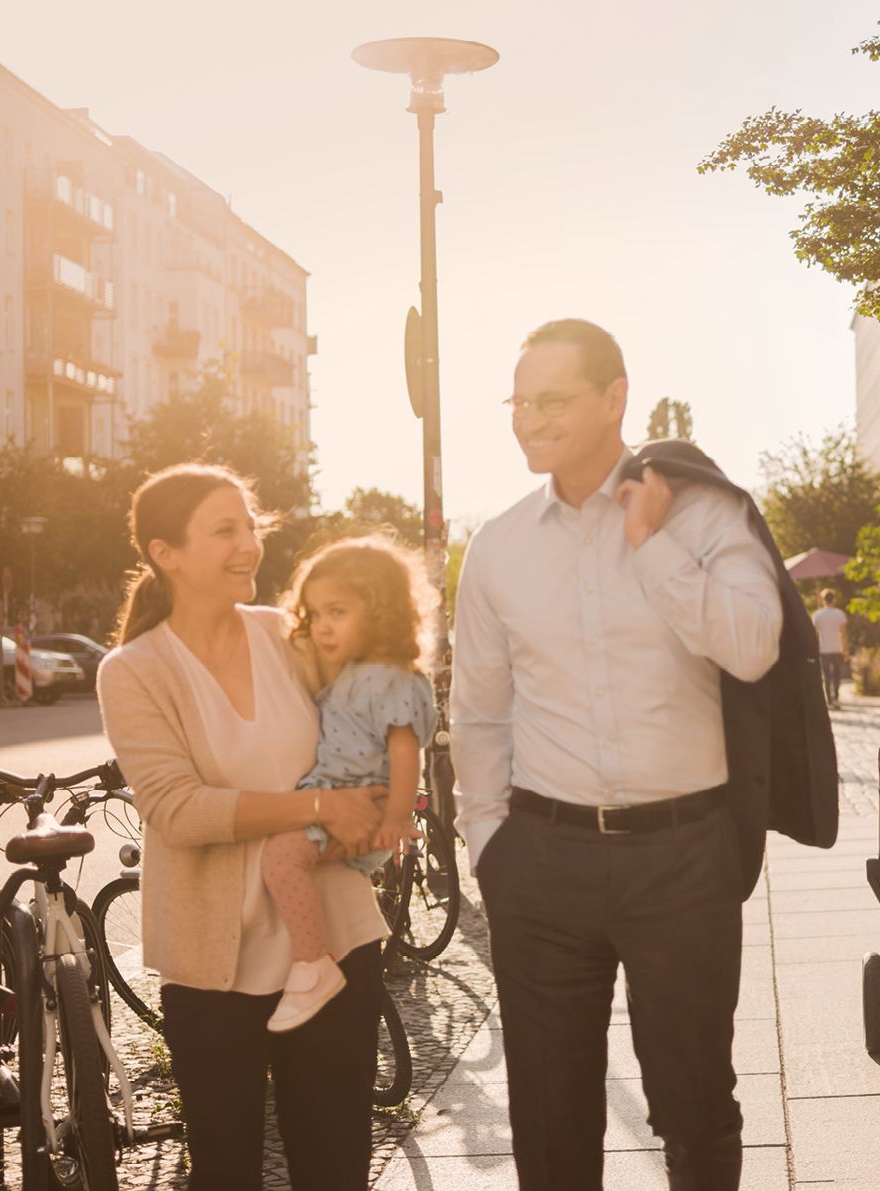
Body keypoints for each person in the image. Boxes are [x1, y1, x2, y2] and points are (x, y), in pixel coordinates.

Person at [451, 318, 782, 1190]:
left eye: (550, 400)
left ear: (614, 398)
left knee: (695, 1104)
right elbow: (480, 710)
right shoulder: (498, 544)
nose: (528, 420)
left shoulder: (706, 513)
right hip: (542, 863)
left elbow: (753, 645)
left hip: (683, 857)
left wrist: (654, 546)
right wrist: (491, 842)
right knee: (550, 1122)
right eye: (517, 402)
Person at [95, 463, 389, 1190]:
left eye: (251, 526)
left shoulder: (286, 637)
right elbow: (180, 810)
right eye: (225, 529)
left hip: (333, 941)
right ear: (165, 552)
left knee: (337, 1161)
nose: (249, 544)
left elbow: (364, 735)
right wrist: (315, 807)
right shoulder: (133, 670)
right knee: (226, 1168)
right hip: (213, 964)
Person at [259, 536, 437, 1032]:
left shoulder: (393, 679)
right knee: (281, 858)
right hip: (343, 799)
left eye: (337, 611)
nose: (323, 626)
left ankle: (312, 966)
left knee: (280, 858)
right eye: (315, 614)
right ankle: (313, 957)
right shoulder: (357, 672)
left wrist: (399, 817)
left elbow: (406, 752)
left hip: (365, 807)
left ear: (380, 614)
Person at [812, 588, 849, 709]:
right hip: (837, 648)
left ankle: (829, 701)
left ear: (823, 600)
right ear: (834, 599)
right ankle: (836, 699)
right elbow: (844, 634)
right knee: (837, 676)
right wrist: (846, 649)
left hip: (824, 649)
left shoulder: (817, 615)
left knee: (827, 677)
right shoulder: (839, 614)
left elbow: (814, 635)